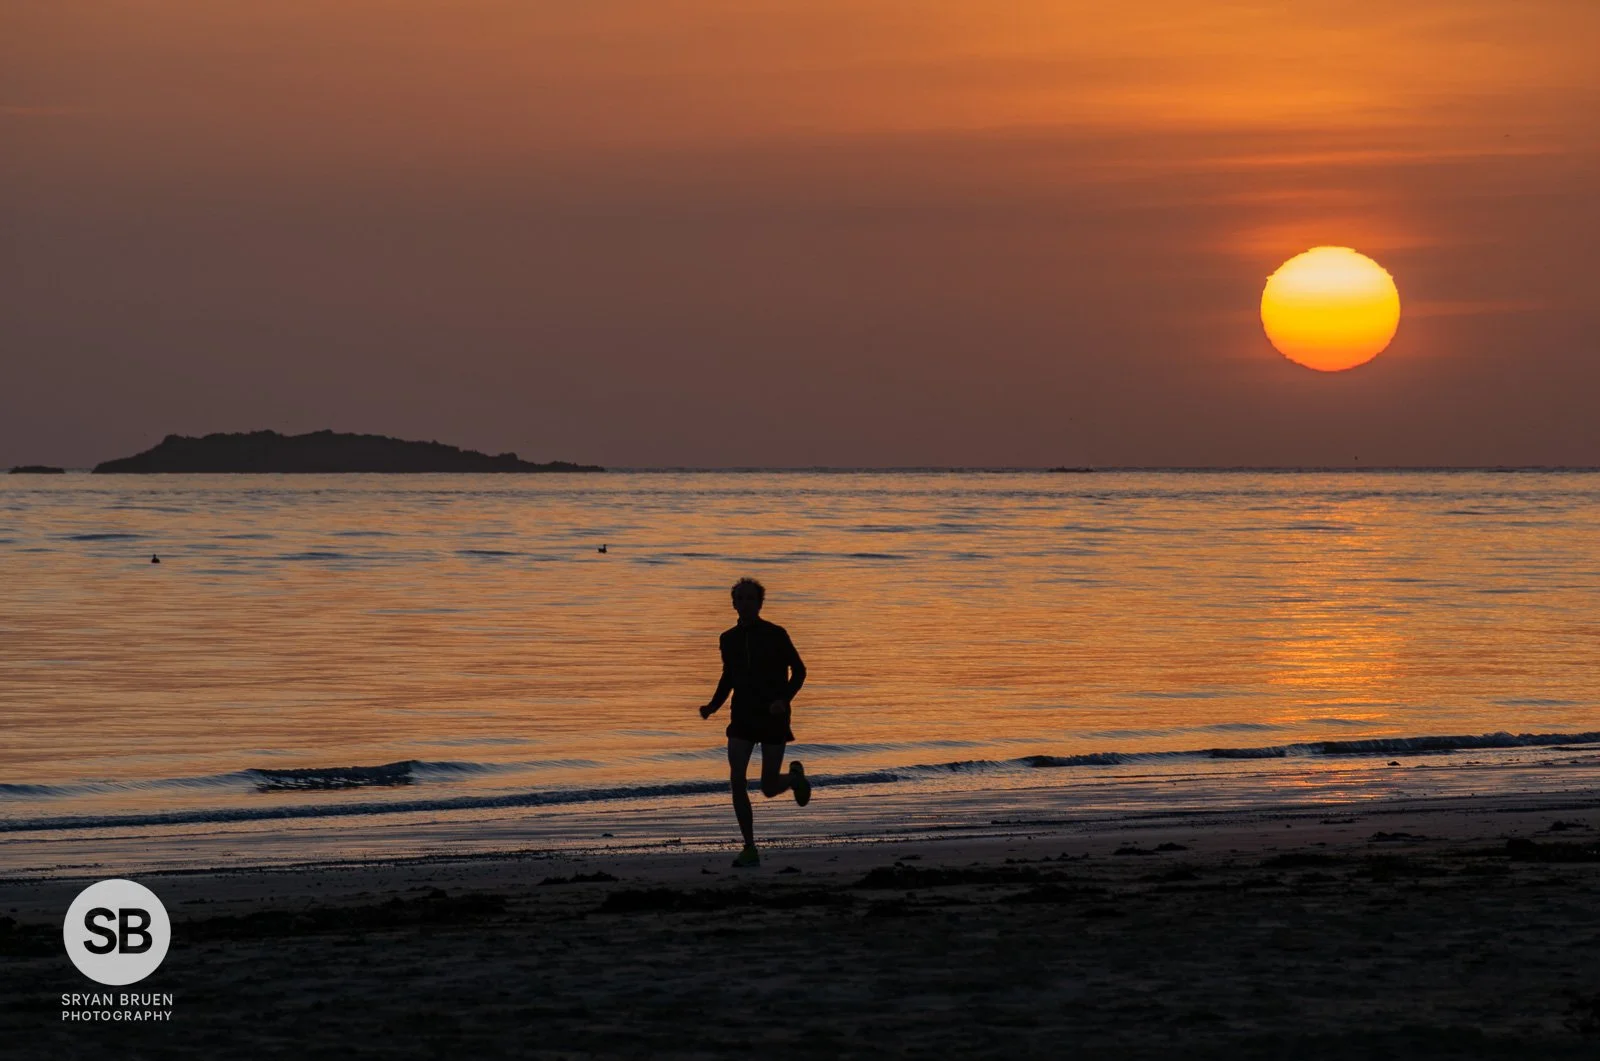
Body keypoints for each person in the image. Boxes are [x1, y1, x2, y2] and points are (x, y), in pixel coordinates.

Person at [698, 577, 810, 867]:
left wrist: (783, 700)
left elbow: (799, 671)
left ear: (760, 603)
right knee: (737, 781)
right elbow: (728, 677)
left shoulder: (776, 634)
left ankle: (794, 778)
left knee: (769, 787)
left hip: (773, 716)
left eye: (751, 599)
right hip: (742, 716)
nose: (746, 603)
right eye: (741, 598)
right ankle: (749, 848)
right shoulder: (728, 639)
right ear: (733, 603)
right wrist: (713, 705)